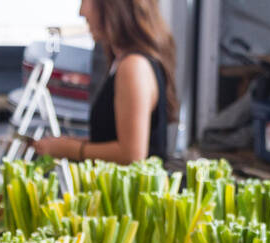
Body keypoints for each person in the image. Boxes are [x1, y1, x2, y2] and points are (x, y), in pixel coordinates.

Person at [32, 0, 177, 164]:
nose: (81, 12)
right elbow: (112, 137)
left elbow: (132, 155)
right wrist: (68, 143)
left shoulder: (133, 66)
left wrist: (67, 149)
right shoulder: (124, 62)